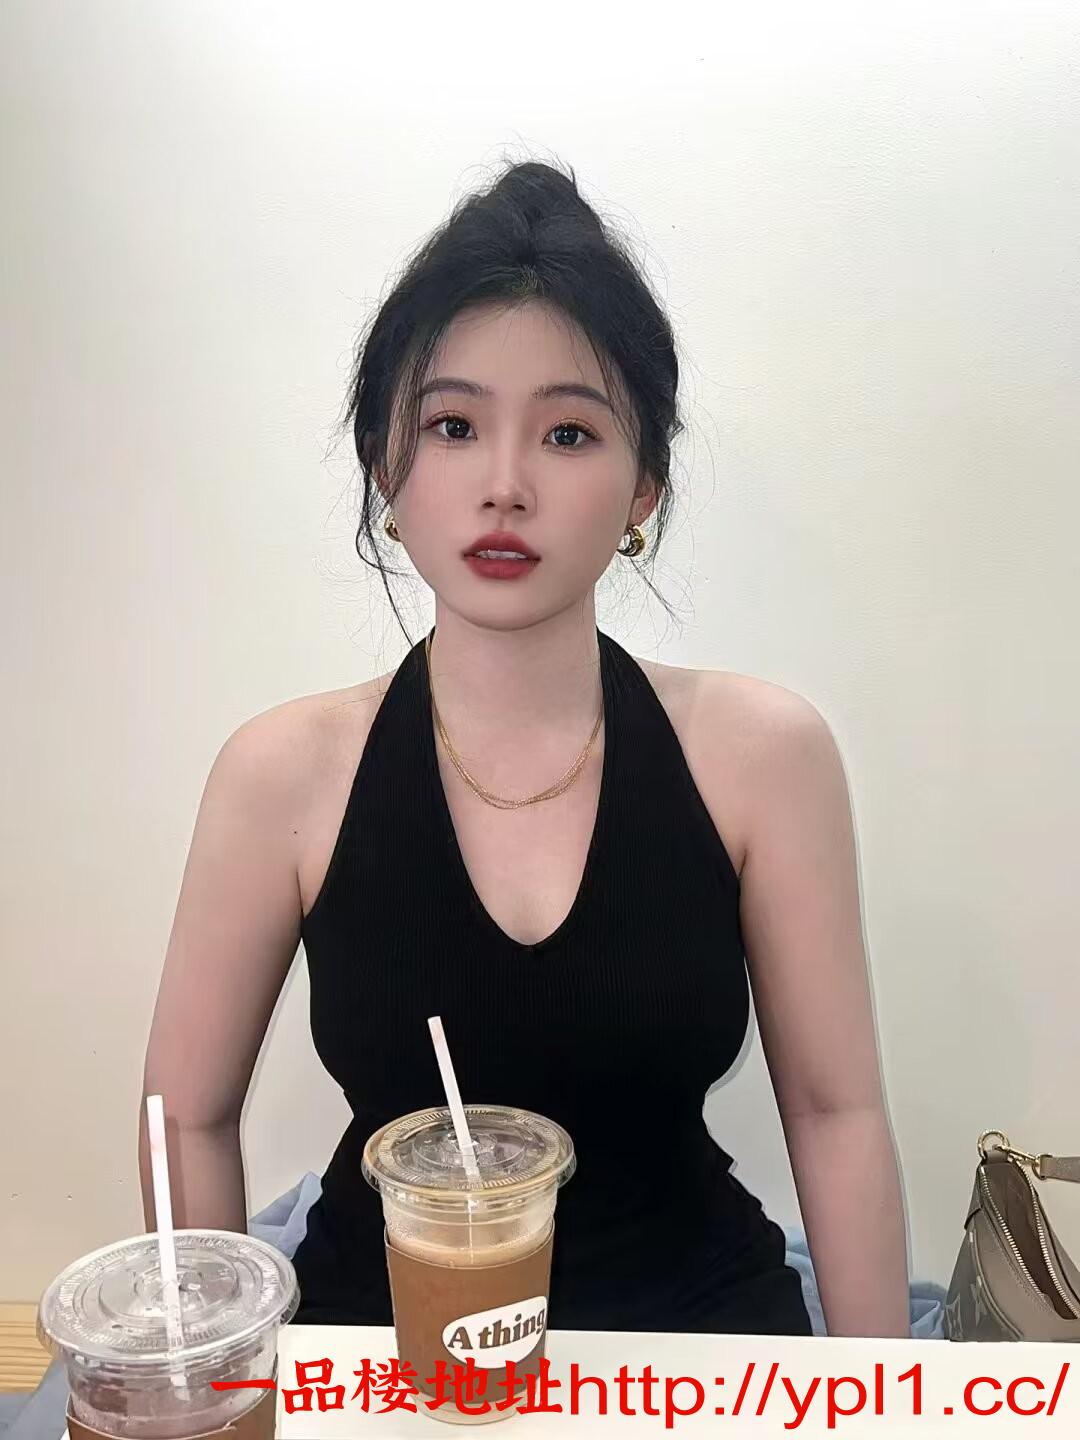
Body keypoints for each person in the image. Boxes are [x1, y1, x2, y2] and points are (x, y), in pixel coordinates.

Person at [139, 156, 910, 1338]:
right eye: (453, 425)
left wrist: (879, 1401)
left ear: (644, 485)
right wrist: (206, 1376)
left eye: (567, 432)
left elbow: (834, 1110)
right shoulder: (282, 775)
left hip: (693, 1339)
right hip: (385, 1335)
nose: (504, 486)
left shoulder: (763, 757)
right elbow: (182, 1117)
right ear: (386, 466)